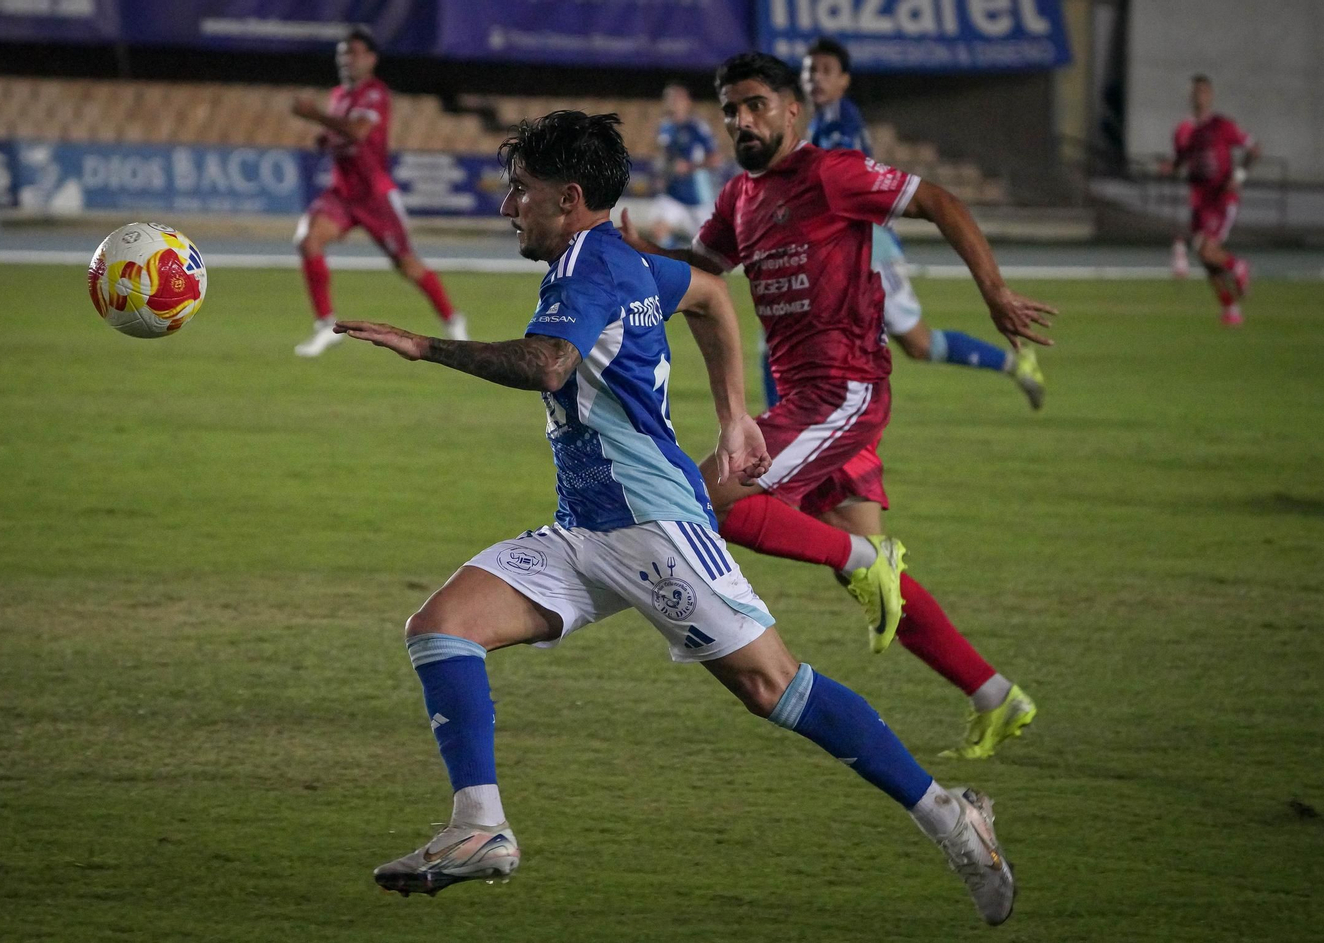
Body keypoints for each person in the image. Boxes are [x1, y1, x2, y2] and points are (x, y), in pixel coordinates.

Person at [336, 110, 1017, 924]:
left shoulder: (592, 268)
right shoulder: (625, 259)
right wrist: (734, 413)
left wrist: (429, 347)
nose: (508, 207)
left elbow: (549, 364)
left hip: (655, 526)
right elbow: (709, 295)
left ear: (570, 197)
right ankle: (480, 827)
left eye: (522, 191)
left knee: (775, 686)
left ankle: (949, 814)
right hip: (587, 527)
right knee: (441, 627)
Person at [621, 53, 1051, 759]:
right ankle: (995, 694)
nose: (742, 120)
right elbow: (703, 274)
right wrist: (642, 250)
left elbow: (940, 200)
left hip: (844, 390)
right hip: (808, 400)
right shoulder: (738, 199)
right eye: (731, 109)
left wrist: (995, 293)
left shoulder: (832, 174)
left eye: (757, 105)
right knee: (886, 590)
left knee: (713, 496)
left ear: (793, 110)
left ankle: (860, 555)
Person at [794, 38, 1044, 411]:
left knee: (918, 343)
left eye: (826, 71)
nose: (816, 78)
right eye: (811, 70)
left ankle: (1014, 362)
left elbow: (836, 188)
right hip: (843, 246)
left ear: (845, 80)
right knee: (800, 331)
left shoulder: (841, 122)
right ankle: (795, 424)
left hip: (868, 245)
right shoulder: (820, 122)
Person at [290, 26, 466, 357]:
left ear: (371, 59)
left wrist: (314, 115)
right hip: (342, 193)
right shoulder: (339, 95)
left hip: (375, 196)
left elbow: (358, 131)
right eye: (343, 53)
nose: (347, 59)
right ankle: (325, 326)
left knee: (408, 266)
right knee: (308, 240)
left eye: (354, 53)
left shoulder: (375, 93)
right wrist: (325, 138)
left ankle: (452, 318)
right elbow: (343, 134)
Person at [1166, 75, 1259, 327]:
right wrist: (1169, 167)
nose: (1200, 96)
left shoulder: (1221, 125)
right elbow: (1180, 161)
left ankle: (1238, 265)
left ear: (1211, 95)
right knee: (1206, 260)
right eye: (1196, 92)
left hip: (1221, 198)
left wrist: (1238, 175)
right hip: (1199, 201)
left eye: (1204, 92)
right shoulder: (1184, 130)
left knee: (1208, 250)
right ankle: (1231, 309)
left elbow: (1254, 148)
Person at [648, 83, 722, 248]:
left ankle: (687, 259)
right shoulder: (665, 128)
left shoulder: (697, 127)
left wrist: (690, 167)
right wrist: (662, 174)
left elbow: (715, 159)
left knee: (708, 250)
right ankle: (675, 263)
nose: (672, 103)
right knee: (659, 230)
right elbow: (664, 157)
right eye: (669, 99)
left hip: (699, 197)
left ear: (687, 102)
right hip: (673, 194)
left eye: (676, 99)